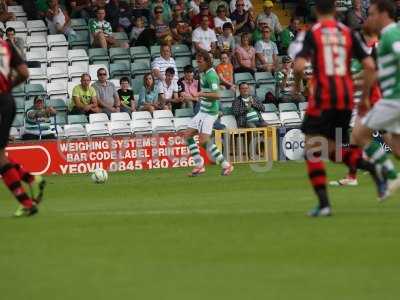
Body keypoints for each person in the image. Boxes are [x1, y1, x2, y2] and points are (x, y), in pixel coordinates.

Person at [293, 0, 384, 217]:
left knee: (312, 150)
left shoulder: (313, 32)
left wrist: (297, 85)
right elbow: (370, 66)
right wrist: (363, 99)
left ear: (316, 11)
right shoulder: (347, 32)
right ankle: (372, 168)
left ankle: (324, 205)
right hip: (345, 99)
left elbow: (298, 66)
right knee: (333, 152)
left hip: (324, 97)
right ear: (335, 11)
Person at [352, 0, 400, 196]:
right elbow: (379, 71)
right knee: (397, 149)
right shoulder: (386, 37)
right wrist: (356, 81)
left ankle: (390, 175)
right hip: (393, 98)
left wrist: (364, 96)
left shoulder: (390, 35)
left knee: (358, 134)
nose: (368, 18)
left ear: (384, 14)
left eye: (371, 14)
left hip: (393, 99)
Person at [0, 37, 45, 217]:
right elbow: (25, 73)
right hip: (7, 101)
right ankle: (31, 178)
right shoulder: (6, 44)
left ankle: (26, 202)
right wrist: (8, 87)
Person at [183, 49, 234, 176]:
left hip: (210, 113)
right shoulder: (203, 73)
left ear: (207, 62)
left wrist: (200, 94)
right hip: (202, 111)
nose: (198, 63)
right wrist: (193, 97)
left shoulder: (211, 75)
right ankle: (199, 164)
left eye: (200, 61)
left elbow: (217, 95)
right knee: (188, 135)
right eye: (197, 61)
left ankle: (226, 165)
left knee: (203, 141)